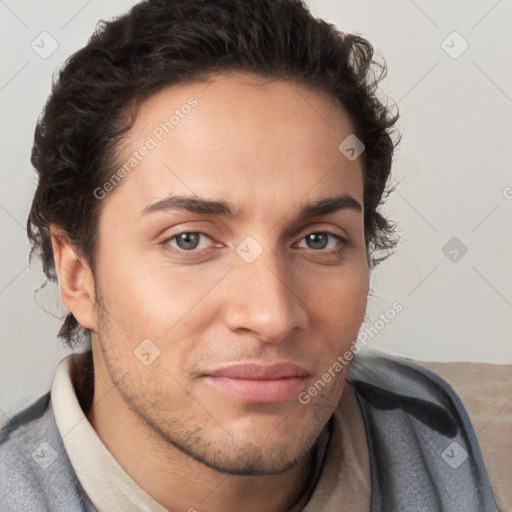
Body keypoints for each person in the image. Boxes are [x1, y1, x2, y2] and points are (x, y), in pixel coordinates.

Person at [0, 0, 510, 510]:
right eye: (189, 239)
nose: (272, 316)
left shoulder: (429, 425)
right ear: (77, 275)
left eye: (319, 239)